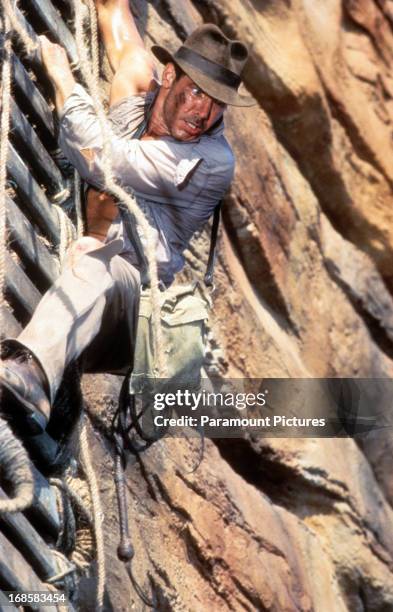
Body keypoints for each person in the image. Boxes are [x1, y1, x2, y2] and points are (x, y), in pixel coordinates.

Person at [0, 0, 254, 434]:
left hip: (132, 307)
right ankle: (58, 382)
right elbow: (112, 10)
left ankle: (32, 376)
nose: (203, 113)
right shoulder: (139, 79)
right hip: (86, 279)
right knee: (92, 264)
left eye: (217, 105)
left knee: (100, 265)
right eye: (197, 92)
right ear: (169, 75)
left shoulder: (211, 161)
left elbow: (103, 159)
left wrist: (62, 78)